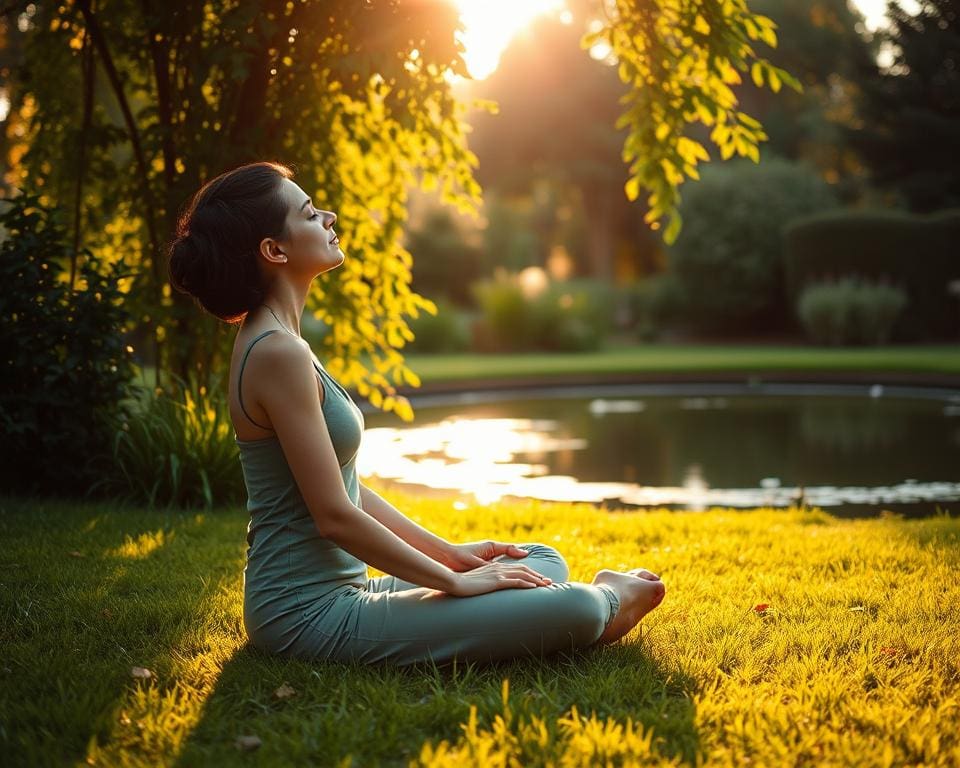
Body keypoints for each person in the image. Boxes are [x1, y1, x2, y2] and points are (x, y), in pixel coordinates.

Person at [168, 161, 666, 666]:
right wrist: (454, 581)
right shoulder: (278, 353)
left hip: (349, 590)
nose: (329, 216)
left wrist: (452, 554)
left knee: (539, 560)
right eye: (310, 213)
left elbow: (347, 489)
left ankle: (553, 601)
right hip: (307, 615)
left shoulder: (283, 340)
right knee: (577, 606)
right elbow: (334, 518)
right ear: (274, 251)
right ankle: (607, 601)